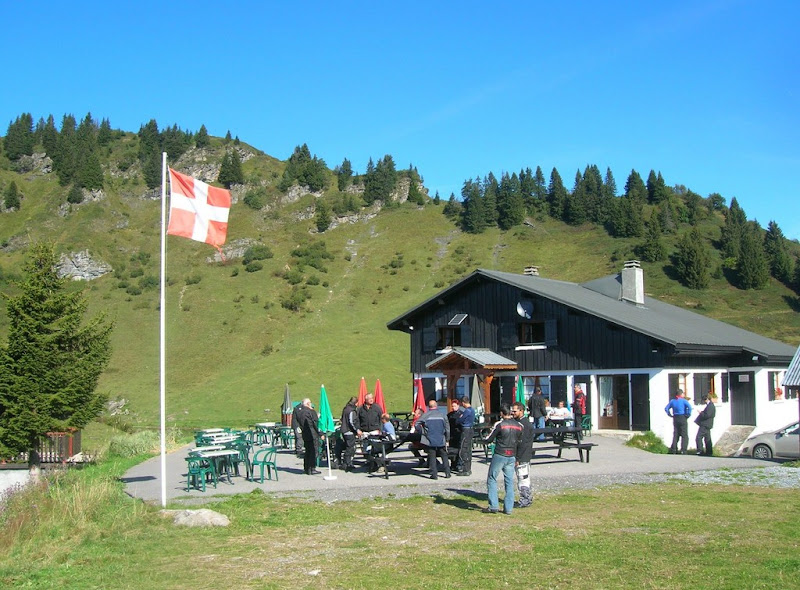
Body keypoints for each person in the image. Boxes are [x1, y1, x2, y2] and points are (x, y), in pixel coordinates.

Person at [482, 404, 522, 514]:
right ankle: (509, 508)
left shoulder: (500, 424)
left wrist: (482, 439)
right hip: (512, 455)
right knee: (509, 481)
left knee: (492, 478)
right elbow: (520, 442)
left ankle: (493, 505)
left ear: (501, 413)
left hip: (500, 453)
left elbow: (489, 439)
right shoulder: (519, 425)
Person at [417, 400, 451, 480]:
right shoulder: (442, 415)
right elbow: (447, 428)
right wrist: (447, 439)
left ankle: (434, 474)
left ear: (429, 407)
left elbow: (416, 424)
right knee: (444, 455)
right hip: (441, 438)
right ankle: (447, 472)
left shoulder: (425, 416)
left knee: (432, 456)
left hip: (430, 439)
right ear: (436, 406)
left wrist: (422, 432)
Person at [511, 401, 534, 507]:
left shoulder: (524, 424)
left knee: (523, 477)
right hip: (522, 454)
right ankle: (526, 498)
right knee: (523, 476)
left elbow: (523, 443)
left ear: (521, 411)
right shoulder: (520, 423)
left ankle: (525, 500)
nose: (512, 413)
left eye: (515, 411)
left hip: (523, 455)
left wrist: (518, 458)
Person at [665, 388, 692, 454]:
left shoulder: (672, 401)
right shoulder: (684, 401)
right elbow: (690, 407)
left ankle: (674, 449)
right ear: (681, 394)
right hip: (682, 417)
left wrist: (669, 414)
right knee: (684, 435)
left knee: (676, 434)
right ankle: (683, 450)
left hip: (675, 417)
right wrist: (688, 414)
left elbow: (666, 408)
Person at [298, 398, 322, 475]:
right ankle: (312, 468)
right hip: (312, 434)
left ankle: (306, 468)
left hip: (305, 434)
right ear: (308, 404)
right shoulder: (310, 412)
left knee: (307, 451)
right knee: (313, 451)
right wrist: (320, 433)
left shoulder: (300, 412)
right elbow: (315, 423)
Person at [456, 396, 475, 476]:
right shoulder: (472, 410)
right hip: (471, 429)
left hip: (466, 430)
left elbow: (460, 420)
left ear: (463, 403)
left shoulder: (467, 411)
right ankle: (468, 468)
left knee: (463, 449)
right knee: (468, 449)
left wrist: (459, 418)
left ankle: (465, 469)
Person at [338, 396, 358, 471]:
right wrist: (356, 430)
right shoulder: (352, 410)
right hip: (349, 431)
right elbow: (352, 422)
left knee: (347, 447)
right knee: (350, 448)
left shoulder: (345, 408)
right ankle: (347, 463)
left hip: (344, 430)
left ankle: (345, 462)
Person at [447, 399, 463, 471]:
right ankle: (453, 464)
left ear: (458, 406)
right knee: (451, 450)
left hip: (458, 434)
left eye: (455, 406)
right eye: (452, 406)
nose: (453, 407)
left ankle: (458, 464)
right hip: (451, 434)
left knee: (458, 449)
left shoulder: (461, 414)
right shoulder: (449, 414)